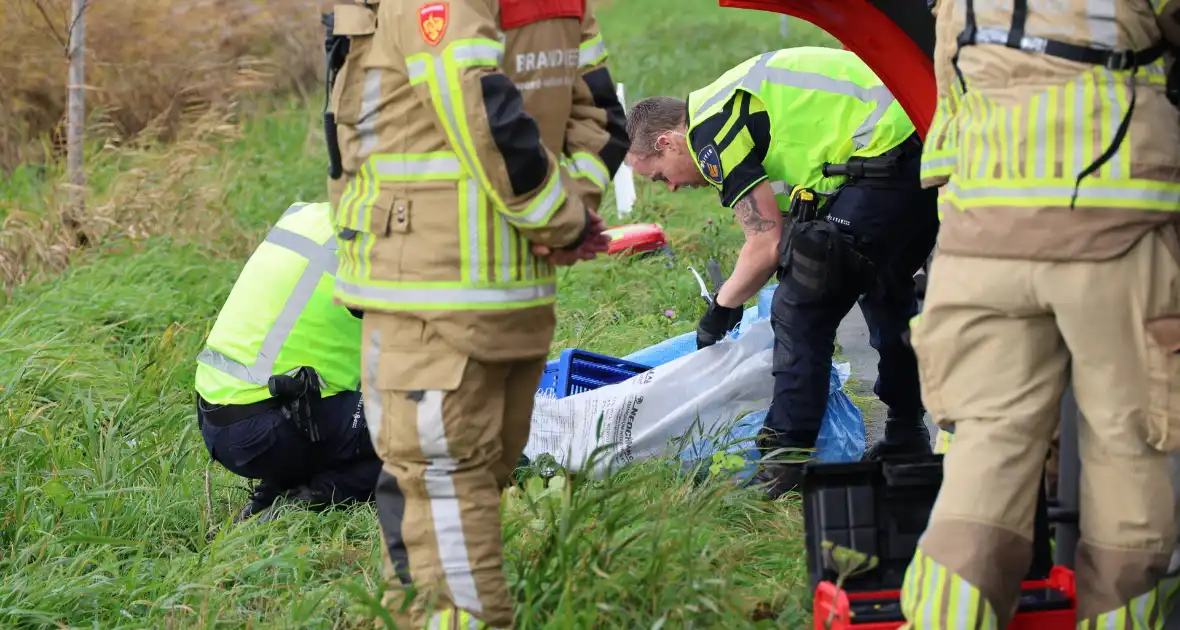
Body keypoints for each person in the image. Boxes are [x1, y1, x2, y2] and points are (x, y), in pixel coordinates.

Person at [321, 0, 627, 627]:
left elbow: (476, 105)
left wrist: (560, 221)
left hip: (431, 303)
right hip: (509, 300)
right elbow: (601, 112)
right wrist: (567, 212)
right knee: (453, 503)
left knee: (439, 512)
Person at [895, 0, 1180, 621]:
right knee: (1128, 445)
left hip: (979, 235)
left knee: (987, 447)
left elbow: (950, 100)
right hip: (1115, 222)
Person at [623, 46, 940, 498]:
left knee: (800, 304)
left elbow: (764, 244)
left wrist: (721, 309)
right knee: (883, 289)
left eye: (660, 176)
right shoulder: (727, 99)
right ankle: (907, 434)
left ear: (668, 143)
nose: (671, 187)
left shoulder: (710, 131)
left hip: (887, 153)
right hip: (918, 143)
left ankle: (784, 462)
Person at [194, 201, 381, 523]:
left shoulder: (309, 215)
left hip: (218, 414)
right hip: (270, 425)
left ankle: (277, 490)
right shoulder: (382, 241)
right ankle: (305, 501)